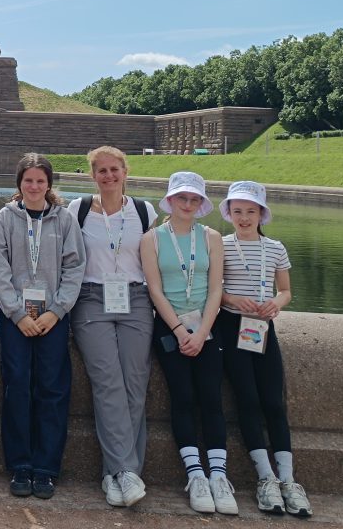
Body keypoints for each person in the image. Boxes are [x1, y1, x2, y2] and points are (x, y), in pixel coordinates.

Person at [141, 172, 236, 515]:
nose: (188, 204)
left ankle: (219, 475)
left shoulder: (211, 237)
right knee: (182, 396)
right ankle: (195, 474)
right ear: (170, 201)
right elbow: (155, 290)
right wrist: (181, 331)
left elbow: (215, 288)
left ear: (201, 204)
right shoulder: (151, 239)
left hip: (208, 328)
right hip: (170, 328)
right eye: (182, 198)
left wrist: (201, 331)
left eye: (194, 199)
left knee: (211, 397)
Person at [66, 147, 157, 507]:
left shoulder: (144, 211)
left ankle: (115, 474)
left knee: (135, 384)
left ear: (125, 172)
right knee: (107, 382)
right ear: (93, 176)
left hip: (135, 299)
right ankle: (127, 472)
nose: (109, 176)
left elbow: (153, 262)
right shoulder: (78, 210)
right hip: (91, 299)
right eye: (101, 171)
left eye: (114, 169)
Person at [0, 153, 85, 500]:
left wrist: (56, 311)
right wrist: (17, 313)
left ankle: (46, 468)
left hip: (53, 317)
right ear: (19, 183)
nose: (34, 186)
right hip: (14, 317)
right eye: (28, 180)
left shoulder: (64, 219)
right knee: (17, 385)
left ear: (49, 184)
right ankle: (20, 464)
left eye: (40, 181)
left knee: (52, 389)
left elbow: (75, 267)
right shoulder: (4, 218)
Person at [217, 181, 312, 517]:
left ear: (261, 214)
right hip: (231, 326)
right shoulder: (221, 245)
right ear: (229, 214)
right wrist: (232, 299)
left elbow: (285, 290)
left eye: (250, 211)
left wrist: (276, 303)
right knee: (248, 399)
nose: (244, 218)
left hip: (261, 328)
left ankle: (288, 479)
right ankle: (265, 476)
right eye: (238, 211)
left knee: (273, 401)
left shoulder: (275, 248)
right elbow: (214, 290)